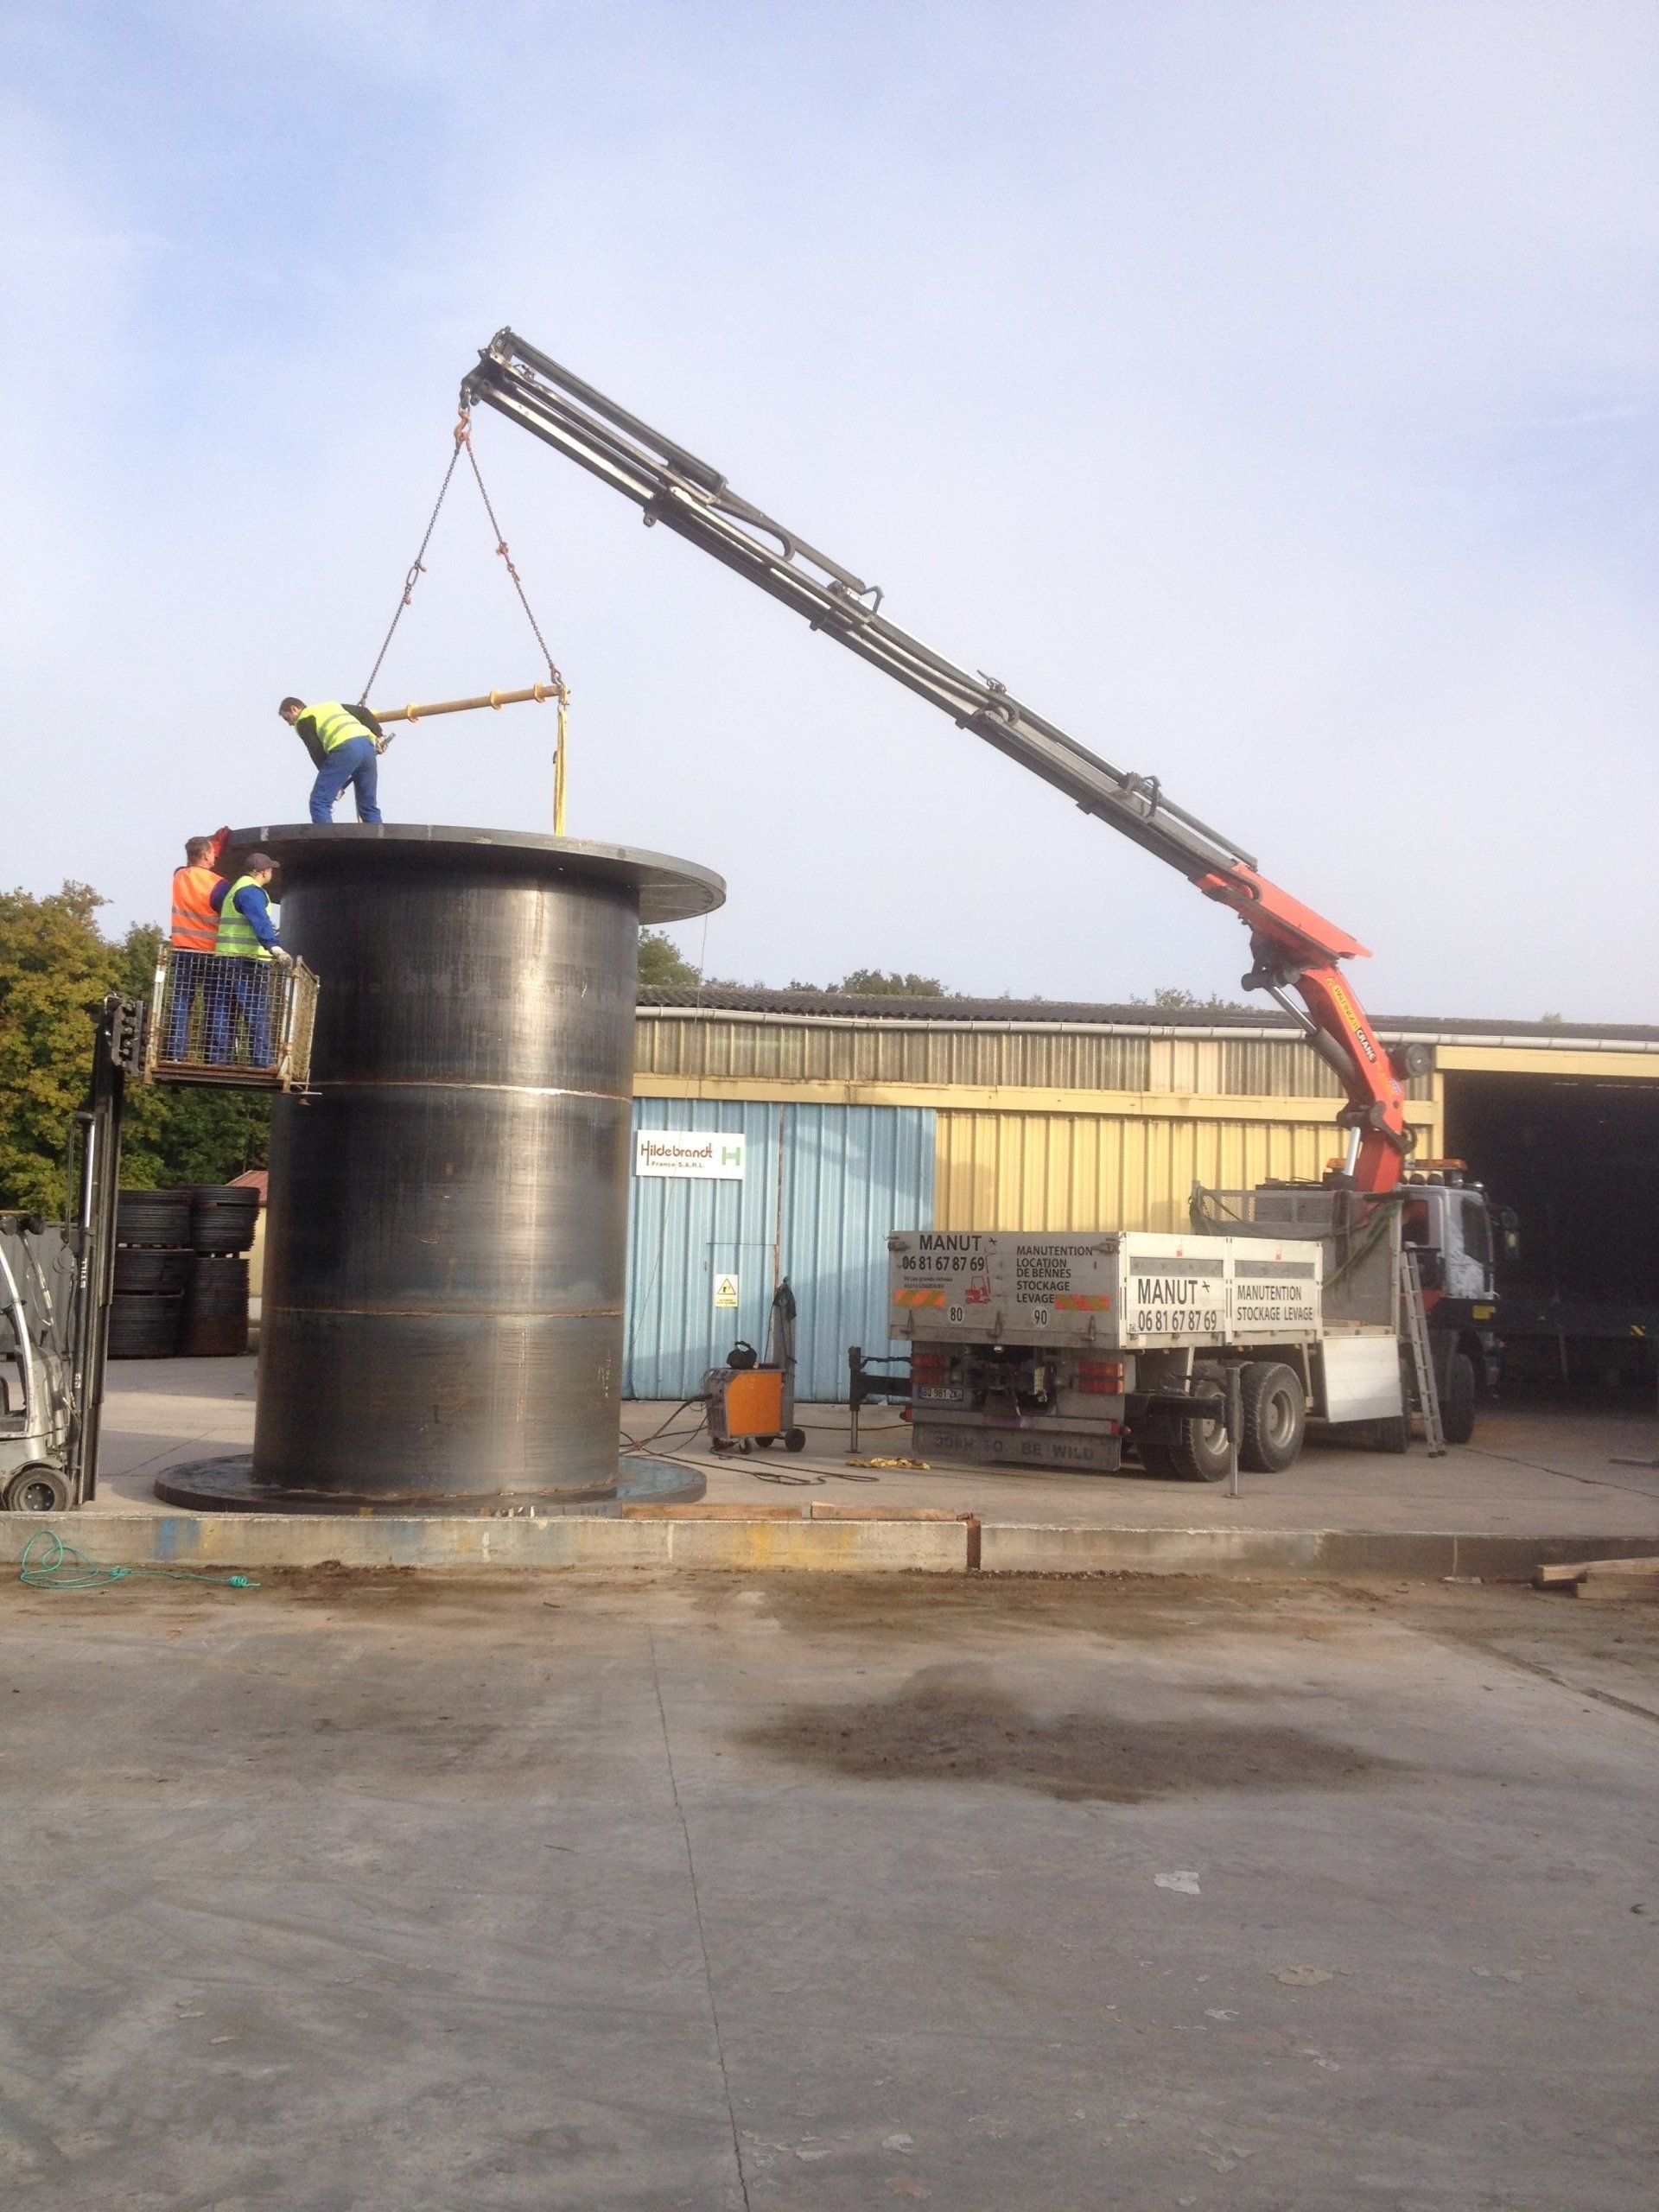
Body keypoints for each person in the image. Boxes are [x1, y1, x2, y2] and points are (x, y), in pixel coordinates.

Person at [207, 854, 292, 1068]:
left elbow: (215, 900)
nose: (272, 872)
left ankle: (219, 1059)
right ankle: (262, 1060)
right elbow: (259, 920)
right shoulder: (251, 892)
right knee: (255, 1010)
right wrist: (274, 947)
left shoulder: (234, 890)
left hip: (226, 957)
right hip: (247, 961)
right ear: (264, 872)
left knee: (224, 1008)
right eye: (270, 869)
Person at [164, 831, 229, 1060]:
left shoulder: (179, 876)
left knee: (181, 1004)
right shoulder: (220, 885)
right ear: (208, 855)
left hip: (182, 952)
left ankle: (174, 1054)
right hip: (210, 953)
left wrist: (214, 845)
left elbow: (195, 861)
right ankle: (214, 1058)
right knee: (215, 1004)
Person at [279, 696, 386, 824]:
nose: (290, 723)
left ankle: (328, 843)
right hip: (367, 748)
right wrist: (379, 735)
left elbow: (316, 751)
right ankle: (379, 842)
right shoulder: (332, 706)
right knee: (368, 807)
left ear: (294, 709)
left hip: (346, 748)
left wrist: (336, 785)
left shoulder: (303, 720)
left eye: (287, 718)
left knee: (319, 802)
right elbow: (364, 713)